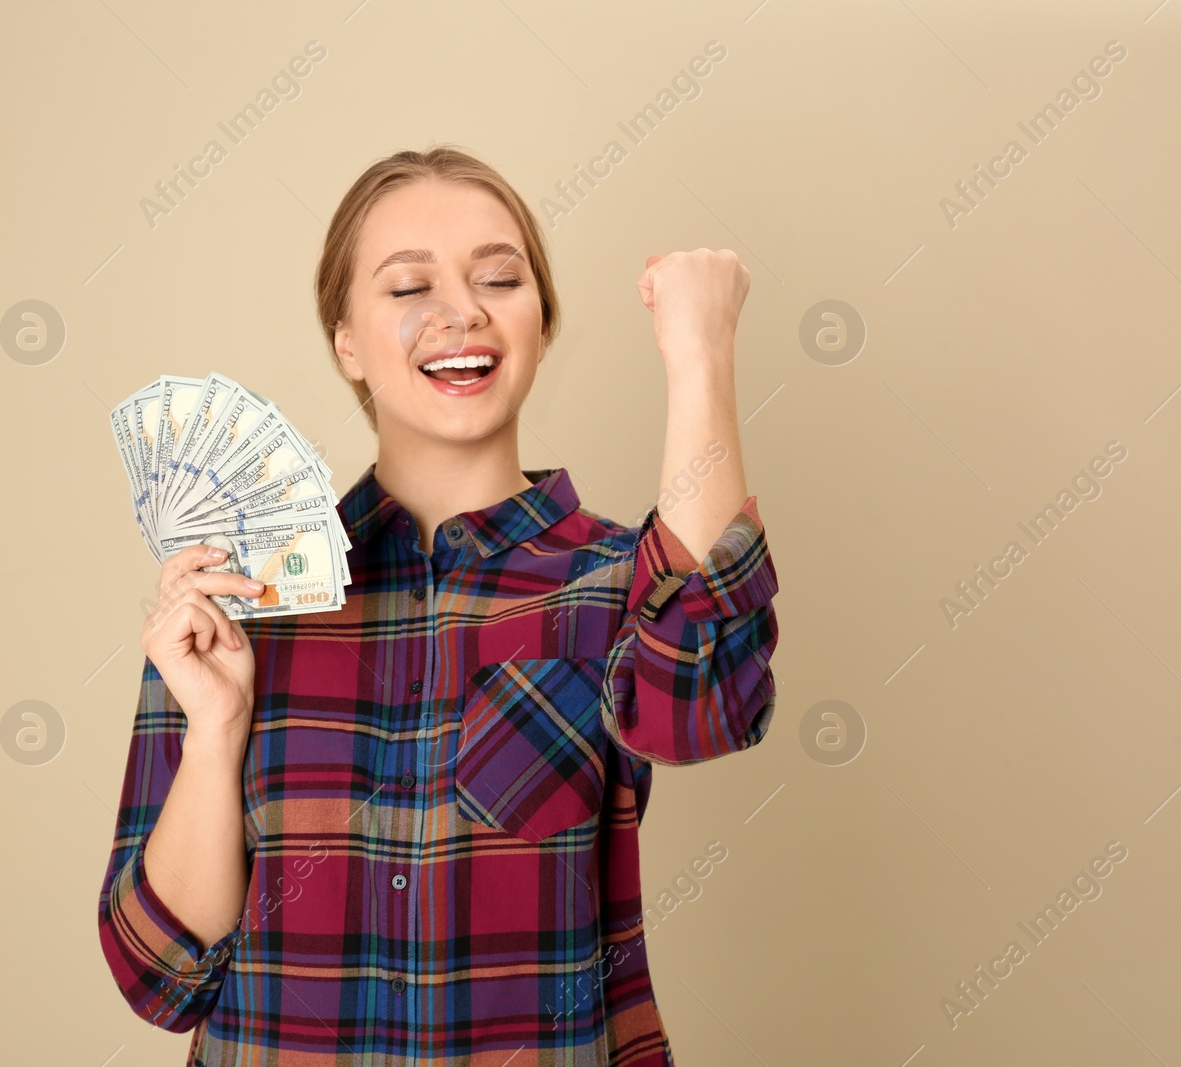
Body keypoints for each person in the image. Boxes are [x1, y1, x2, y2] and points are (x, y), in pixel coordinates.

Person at [96, 143, 781, 1066]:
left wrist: (701, 353)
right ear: (346, 340)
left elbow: (701, 706)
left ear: (540, 321)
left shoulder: (615, 581)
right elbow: (162, 977)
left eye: (499, 278)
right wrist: (218, 724)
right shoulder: (241, 600)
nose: (461, 312)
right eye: (408, 288)